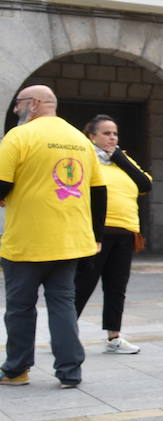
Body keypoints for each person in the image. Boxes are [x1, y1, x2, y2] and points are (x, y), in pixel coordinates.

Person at [0, 85, 106, 389]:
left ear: (33, 104)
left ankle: (16, 370)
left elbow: (1, 183)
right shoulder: (79, 140)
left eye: (18, 105)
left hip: (27, 242)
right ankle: (70, 372)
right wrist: (95, 237)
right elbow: (99, 193)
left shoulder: (18, 137)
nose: (15, 111)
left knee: (20, 308)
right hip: (70, 242)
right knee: (63, 305)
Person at [75, 114, 152, 354]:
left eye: (115, 133)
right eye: (106, 133)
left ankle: (114, 336)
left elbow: (145, 184)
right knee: (83, 284)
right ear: (92, 136)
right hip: (96, 232)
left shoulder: (123, 159)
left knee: (116, 286)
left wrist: (119, 157)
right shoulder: (84, 157)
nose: (112, 137)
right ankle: (65, 331)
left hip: (126, 231)